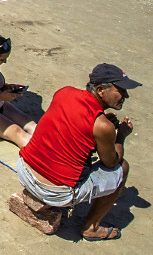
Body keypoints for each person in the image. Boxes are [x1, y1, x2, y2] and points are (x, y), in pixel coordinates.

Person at [16, 64, 140, 241]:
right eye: (120, 90)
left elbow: (75, 126)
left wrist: (104, 126)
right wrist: (120, 136)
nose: (125, 96)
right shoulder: (103, 126)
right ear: (100, 90)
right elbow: (111, 162)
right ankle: (91, 228)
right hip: (53, 191)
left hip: (24, 170)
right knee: (122, 168)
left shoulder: (64, 92)